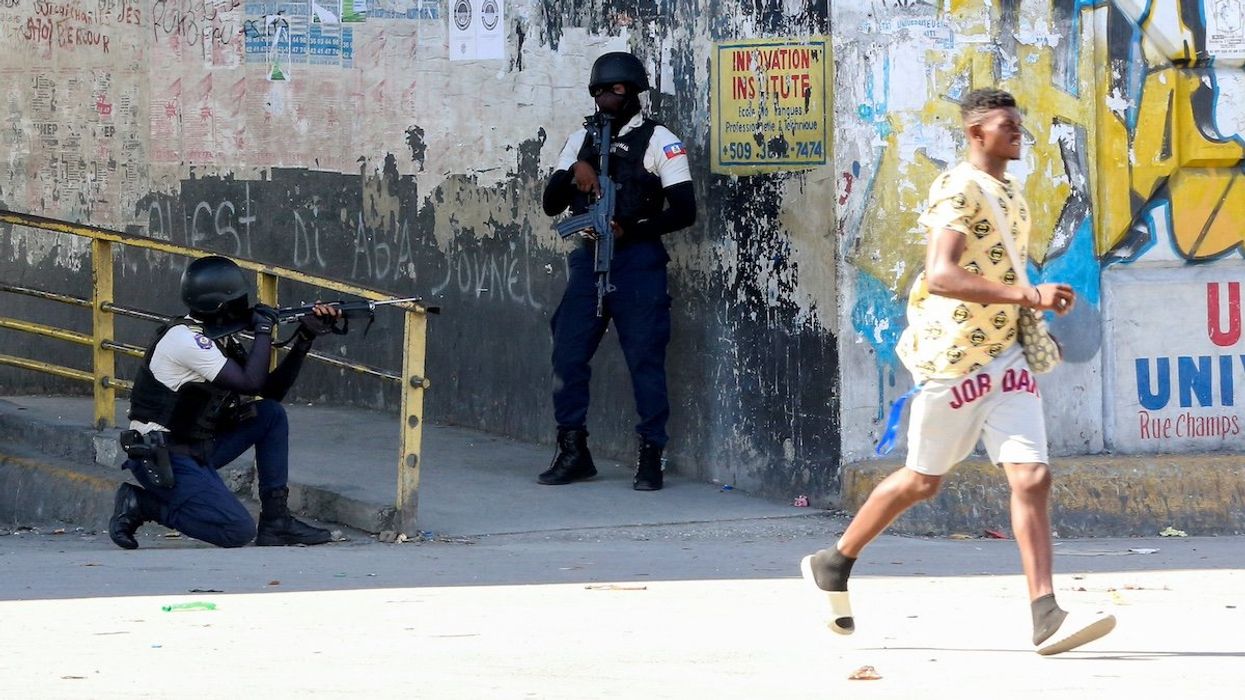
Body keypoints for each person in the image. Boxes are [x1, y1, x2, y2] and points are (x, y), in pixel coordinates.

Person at [800, 88, 1116, 655]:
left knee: (1032, 476)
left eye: (1019, 123)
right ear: (977, 134)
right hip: (955, 360)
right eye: (1006, 125)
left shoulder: (1011, 194)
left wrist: (1034, 301)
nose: (1019, 132)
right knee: (923, 481)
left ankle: (1045, 613)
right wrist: (1026, 293)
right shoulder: (956, 189)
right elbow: (941, 274)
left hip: (1006, 357)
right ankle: (834, 561)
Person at [538, 51, 696, 491]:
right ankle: (573, 450)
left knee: (644, 358)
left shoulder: (660, 140)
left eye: (617, 90)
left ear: (633, 94)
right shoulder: (580, 140)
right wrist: (575, 171)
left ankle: (651, 454)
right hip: (588, 261)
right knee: (567, 355)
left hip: (638, 263)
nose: (607, 98)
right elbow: (552, 203)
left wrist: (630, 227)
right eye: (601, 91)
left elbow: (684, 211)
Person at [108, 255, 341, 549]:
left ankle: (276, 520)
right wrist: (263, 331)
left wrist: (304, 339)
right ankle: (141, 504)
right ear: (221, 305)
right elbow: (250, 383)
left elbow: (269, 391)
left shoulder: (219, 339)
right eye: (238, 299)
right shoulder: (185, 341)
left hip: (198, 446)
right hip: (162, 455)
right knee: (237, 531)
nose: (245, 304)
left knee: (269, 414)